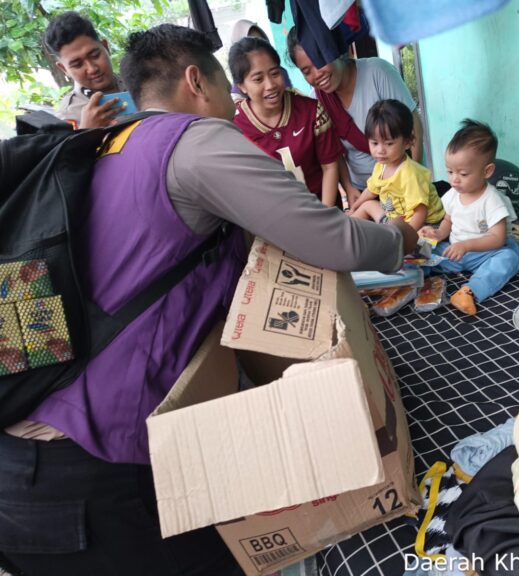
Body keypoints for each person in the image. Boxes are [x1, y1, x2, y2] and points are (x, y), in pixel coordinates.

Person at [0, 24, 416, 576]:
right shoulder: (192, 139)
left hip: (23, 470)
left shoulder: (109, 146)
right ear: (198, 81)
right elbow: (328, 237)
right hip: (97, 468)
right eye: (231, 90)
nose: (238, 105)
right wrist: (400, 240)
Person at [286, 27, 422, 208]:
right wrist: (349, 188)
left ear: (334, 49)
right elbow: (334, 153)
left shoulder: (378, 72)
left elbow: (413, 128)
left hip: (404, 184)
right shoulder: (317, 101)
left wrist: (412, 178)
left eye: (320, 61)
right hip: (363, 191)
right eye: (306, 70)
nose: (317, 74)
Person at [420, 120, 519, 316]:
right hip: (455, 252)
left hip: (487, 253)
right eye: (450, 171)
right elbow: (448, 220)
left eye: (463, 173)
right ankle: (410, 276)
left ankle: (470, 291)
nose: (454, 179)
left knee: (508, 258)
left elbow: (497, 239)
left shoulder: (492, 200)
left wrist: (466, 246)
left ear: (487, 171)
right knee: (423, 248)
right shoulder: (452, 195)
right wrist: (437, 233)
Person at [229, 37, 343, 208]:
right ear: (242, 86)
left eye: (275, 73)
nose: (270, 85)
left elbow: (330, 167)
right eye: (258, 79)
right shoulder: (234, 128)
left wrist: (325, 218)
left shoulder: (311, 111)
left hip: (324, 209)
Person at [350, 99, 444, 230]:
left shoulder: (410, 174)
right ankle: (345, 228)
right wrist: (355, 207)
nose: (380, 150)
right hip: (395, 220)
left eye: (389, 143)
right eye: (374, 143)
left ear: (407, 142)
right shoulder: (380, 166)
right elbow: (371, 190)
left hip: (424, 223)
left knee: (422, 238)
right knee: (367, 205)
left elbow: (420, 212)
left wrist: (405, 238)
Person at [44, 11, 126, 129]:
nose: (92, 69)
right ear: (63, 69)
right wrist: (86, 131)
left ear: (106, 47)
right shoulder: (68, 117)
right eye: (77, 64)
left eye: (95, 55)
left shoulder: (139, 82)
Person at [229, 19, 291, 102]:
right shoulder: (236, 102)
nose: (270, 86)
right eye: (258, 79)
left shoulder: (281, 72)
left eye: (260, 41)